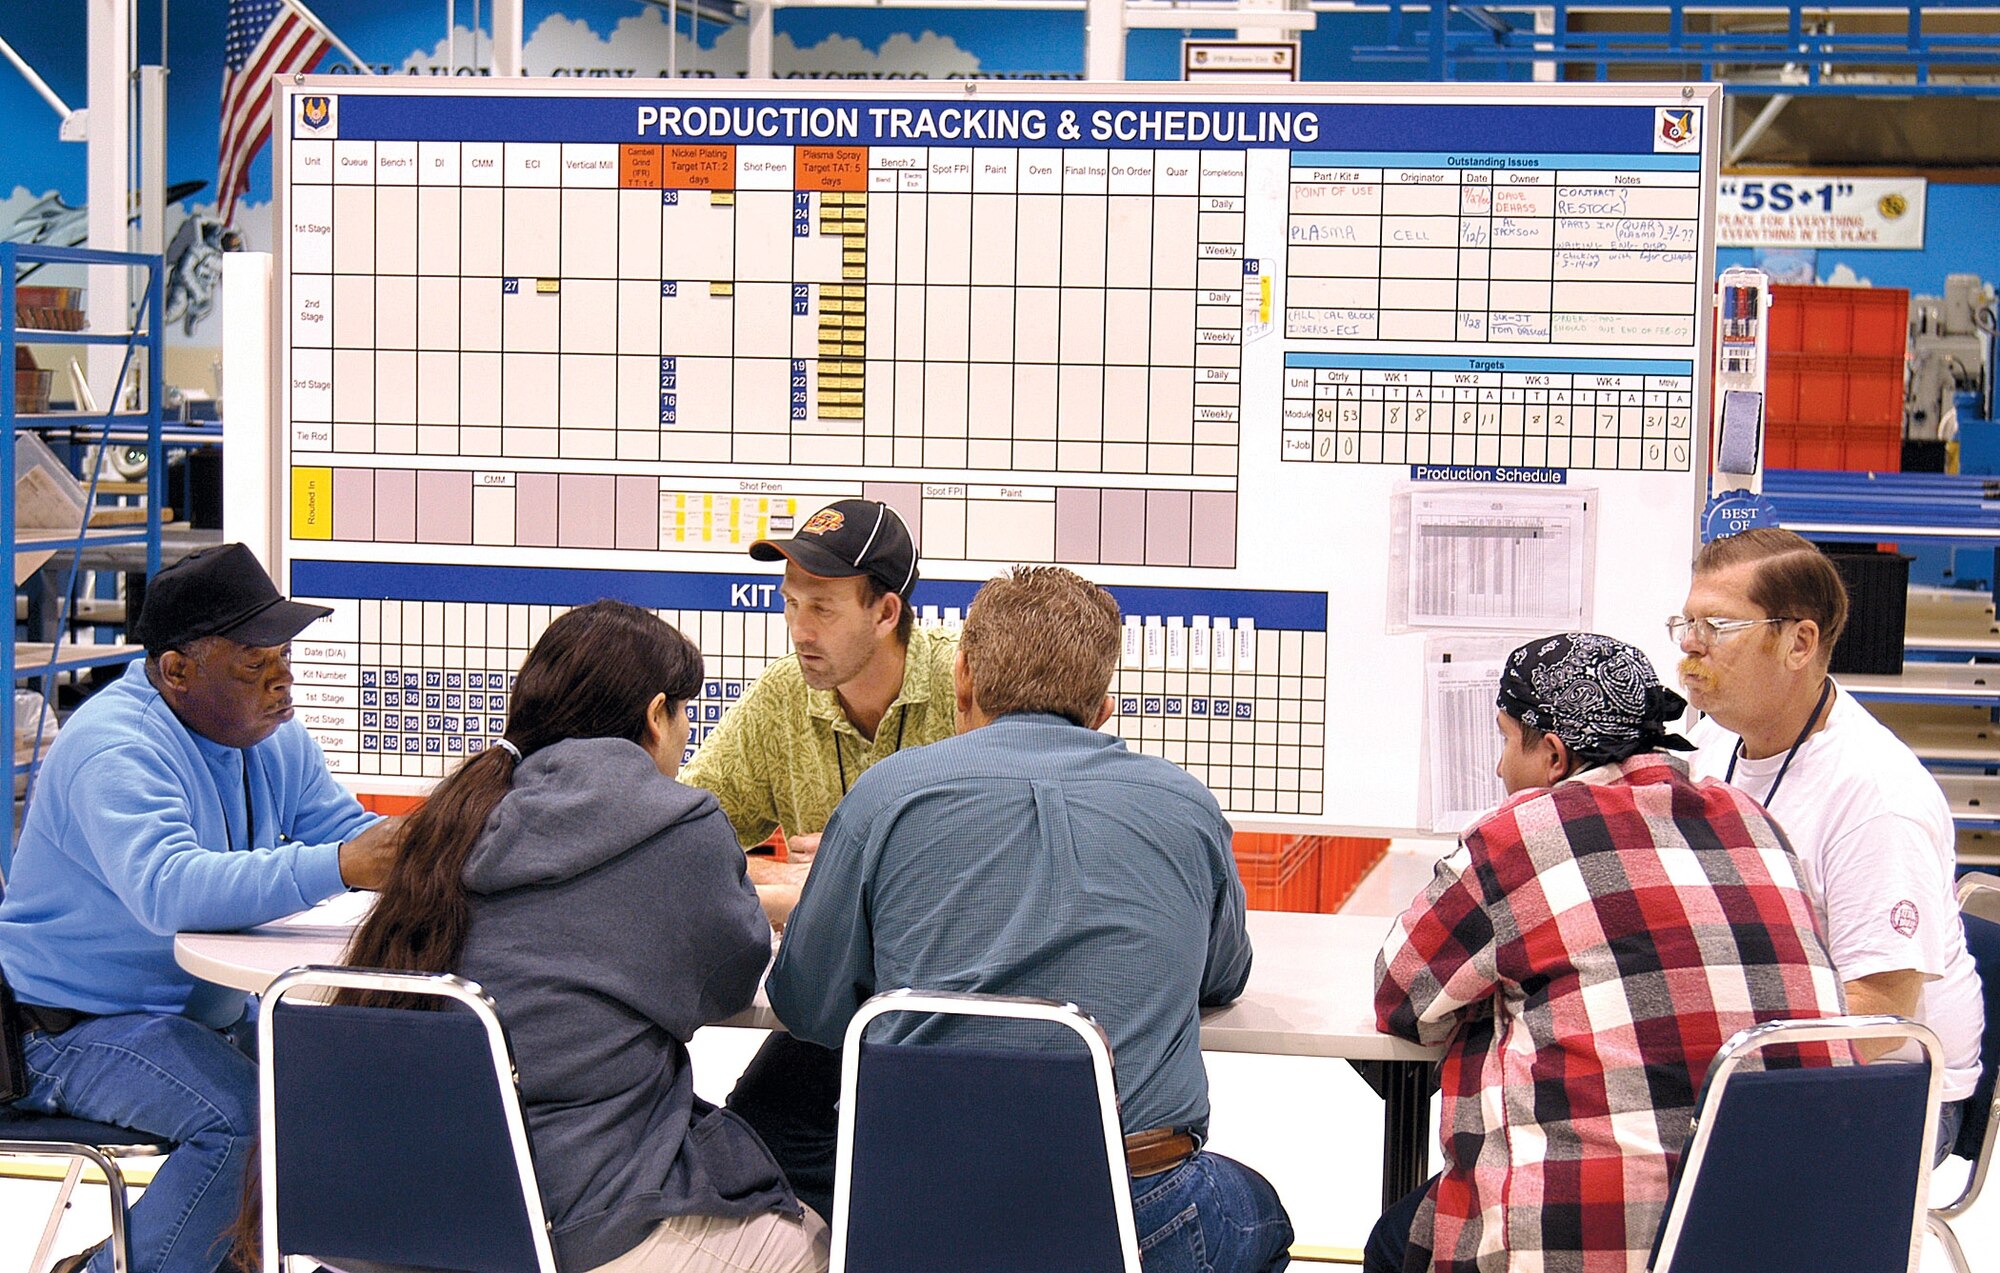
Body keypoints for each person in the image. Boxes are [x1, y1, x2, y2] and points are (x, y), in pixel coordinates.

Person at [767, 565, 1294, 1273]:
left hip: (924, 1214)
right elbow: (1223, 973)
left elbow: (807, 1003)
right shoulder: (1185, 804)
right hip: (1134, 1214)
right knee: (1258, 1209)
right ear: (1104, 707)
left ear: (962, 679)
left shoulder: (883, 796)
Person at [320, 600, 824, 1273]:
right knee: (812, 1243)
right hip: (569, 1218)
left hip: (395, 1214)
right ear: (655, 714)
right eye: (684, 715)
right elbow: (730, 978)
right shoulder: (679, 821)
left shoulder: (455, 819)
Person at [1371, 632, 1846, 1273]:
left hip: (1598, 1237)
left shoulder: (1520, 833)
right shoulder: (1752, 818)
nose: (1498, 767)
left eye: (1506, 739)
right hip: (1784, 1227)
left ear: (1554, 754)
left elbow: (1401, 993)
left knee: (1397, 1240)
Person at [0, 543, 403, 1273]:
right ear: (177, 670)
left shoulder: (265, 736)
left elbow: (348, 832)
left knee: (342, 1093)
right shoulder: (114, 747)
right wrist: (345, 866)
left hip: (192, 1016)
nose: (283, 682)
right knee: (245, 1122)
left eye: (285, 657)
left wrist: (451, 844)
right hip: (66, 1027)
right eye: (256, 664)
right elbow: (170, 888)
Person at [681, 498, 957, 1218]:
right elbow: (684, 838)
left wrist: (855, 873)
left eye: (824, 609)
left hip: (957, 1006)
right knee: (740, 1163)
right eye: (790, 604)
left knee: (916, 1179)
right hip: (836, 1009)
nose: (799, 631)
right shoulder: (782, 697)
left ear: (887, 612)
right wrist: (792, 884)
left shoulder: (967, 688)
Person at [1676, 528, 1983, 1157]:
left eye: (1717, 627)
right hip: (1758, 1055)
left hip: (1888, 1091)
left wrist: (1710, 1048)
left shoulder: (1878, 797)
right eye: (1686, 623)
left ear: (1800, 642)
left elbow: (1879, 1014)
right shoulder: (1712, 743)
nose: (1690, 647)